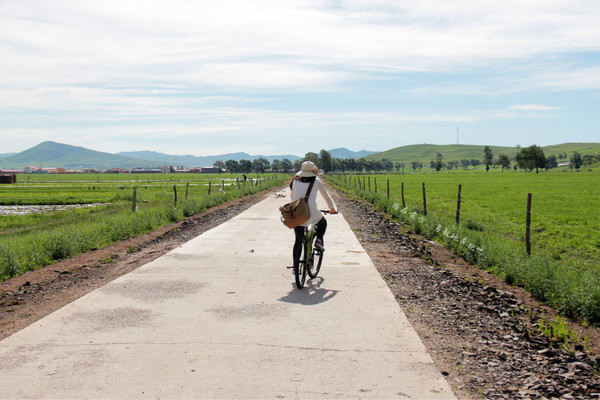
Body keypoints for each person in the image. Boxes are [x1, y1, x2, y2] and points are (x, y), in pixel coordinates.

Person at [289, 161, 336, 273]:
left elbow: (292, 197)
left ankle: (295, 267)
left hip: (298, 213)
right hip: (311, 213)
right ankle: (318, 240)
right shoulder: (316, 182)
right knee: (323, 223)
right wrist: (332, 208)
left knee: (298, 240)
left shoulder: (295, 181)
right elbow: (326, 197)